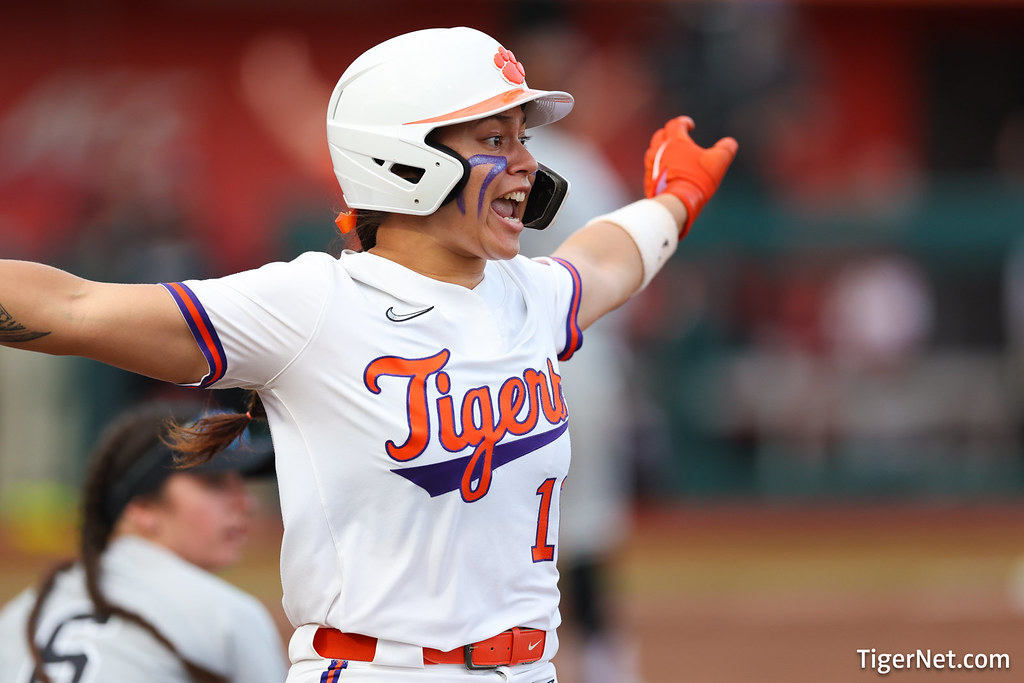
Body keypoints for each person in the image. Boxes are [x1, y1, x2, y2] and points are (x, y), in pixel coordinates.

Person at [0, 26, 737, 683]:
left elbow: (605, 261)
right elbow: (73, 307)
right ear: (403, 159)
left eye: (523, 138)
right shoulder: (315, 304)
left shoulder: (529, 295)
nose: (526, 166)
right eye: (495, 139)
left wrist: (673, 199)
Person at [0, 400, 288, 683]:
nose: (246, 503)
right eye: (214, 483)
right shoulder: (227, 617)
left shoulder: (18, 615)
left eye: (241, 480)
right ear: (142, 508)